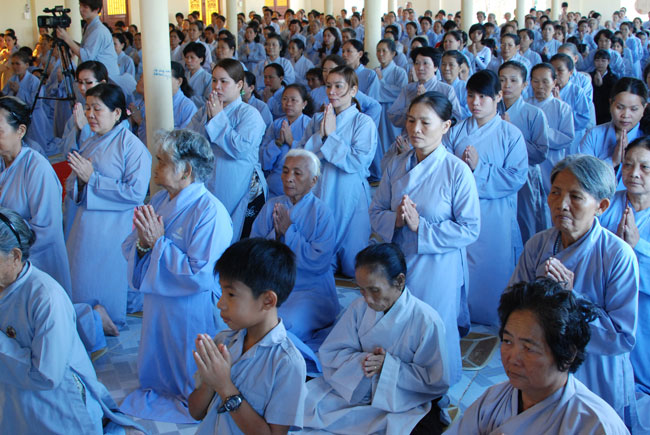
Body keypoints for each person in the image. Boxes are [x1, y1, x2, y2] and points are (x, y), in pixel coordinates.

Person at [510, 155, 639, 422]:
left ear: (601, 205)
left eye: (576, 197)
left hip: (596, 370)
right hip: (544, 363)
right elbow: (513, 304)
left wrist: (571, 300)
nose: (562, 205)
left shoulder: (617, 255)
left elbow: (622, 337)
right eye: (555, 193)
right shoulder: (537, 246)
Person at [120, 129, 233, 423]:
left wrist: (158, 243)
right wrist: (145, 245)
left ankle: (195, 397)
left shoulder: (210, 211)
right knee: (157, 362)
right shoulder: (160, 200)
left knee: (188, 370)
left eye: (163, 160)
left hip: (189, 308)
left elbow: (200, 273)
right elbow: (133, 244)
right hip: (157, 301)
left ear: (186, 171)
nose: (156, 166)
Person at [0, 207, 145, 434]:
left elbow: (47, 375)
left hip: (55, 408)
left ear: (16, 256)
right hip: (14, 403)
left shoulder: (46, 297)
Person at [370, 92, 480, 384]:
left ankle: (437, 386)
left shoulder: (457, 171)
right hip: (399, 260)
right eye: (410, 120)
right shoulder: (396, 164)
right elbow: (376, 210)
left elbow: (470, 228)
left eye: (425, 122)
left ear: (446, 126)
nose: (415, 129)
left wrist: (422, 227)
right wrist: (396, 219)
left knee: (433, 326)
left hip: (438, 266)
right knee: (400, 323)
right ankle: (398, 381)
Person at [301, 243, 451, 434]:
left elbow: (434, 380)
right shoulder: (359, 308)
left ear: (399, 281)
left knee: (419, 428)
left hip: (404, 399)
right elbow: (333, 352)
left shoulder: (427, 320)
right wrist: (365, 361)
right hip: (355, 389)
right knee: (301, 398)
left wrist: (387, 366)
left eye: (374, 290)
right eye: (362, 290)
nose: (368, 299)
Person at [445, 279, 629, 434]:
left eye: (528, 348)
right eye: (508, 341)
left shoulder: (594, 424)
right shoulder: (493, 400)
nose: (512, 358)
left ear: (568, 354)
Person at [189, 238, 307, 434]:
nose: (220, 304)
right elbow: (195, 412)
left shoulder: (287, 363)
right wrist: (209, 382)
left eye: (231, 295)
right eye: (222, 292)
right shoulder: (223, 341)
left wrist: (224, 386)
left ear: (267, 300)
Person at [443, 69, 528, 326]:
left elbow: (516, 177)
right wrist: (461, 170)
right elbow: (443, 165)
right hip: (460, 210)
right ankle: (461, 314)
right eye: (471, 96)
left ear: (498, 97)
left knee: (493, 266)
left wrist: (479, 169)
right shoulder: (456, 131)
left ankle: (493, 315)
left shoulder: (511, 134)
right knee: (461, 265)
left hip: (495, 215)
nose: (475, 103)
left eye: (483, 97)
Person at [66, 83, 152, 334]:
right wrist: (82, 182)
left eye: (97, 109)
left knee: (106, 277)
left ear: (116, 113)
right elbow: (73, 182)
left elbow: (135, 192)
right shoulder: (91, 141)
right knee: (80, 274)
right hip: (85, 223)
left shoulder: (132, 146)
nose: (90, 115)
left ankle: (106, 318)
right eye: (88, 108)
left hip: (114, 227)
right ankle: (88, 318)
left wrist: (92, 179)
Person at [251, 149, 338, 348]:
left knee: (283, 327)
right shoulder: (271, 206)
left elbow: (319, 262)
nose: (288, 178)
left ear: (313, 181)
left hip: (310, 290)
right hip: (273, 286)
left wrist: (289, 232)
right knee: (247, 318)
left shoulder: (322, 213)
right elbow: (254, 250)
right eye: (285, 171)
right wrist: (276, 235)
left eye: (297, 173)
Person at [299, 65, 377, 277]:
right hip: (320, 187)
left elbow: (357, 161)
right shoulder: (318, 119)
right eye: (328, 86)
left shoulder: (363, 122)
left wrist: (330, 137)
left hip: (349, 191)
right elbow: (303, 154)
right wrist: (323, 136)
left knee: (353, 266)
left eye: (338, 86)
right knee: (321, 260)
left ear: (353, 90)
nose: (331, 91)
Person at [599, 137, 650, 432]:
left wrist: (637, 247)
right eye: (628, 165)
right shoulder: (606, 204)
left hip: (644, 310)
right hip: (609, 307)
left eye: (645, 167)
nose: (634, 173)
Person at [188, 59, 266, 241]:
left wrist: (217, 119)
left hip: (238, 183)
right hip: (208, 181)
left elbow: (240, 149)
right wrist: (210, 118)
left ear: (239, 85)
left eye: (224, 81)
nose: (217, 86)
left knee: (235, 238)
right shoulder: (205, 110)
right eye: (214, 80)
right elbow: (190, 142)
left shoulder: (249, 114)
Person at [498, 62, 550, 245]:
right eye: (502, 80)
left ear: (524, 85)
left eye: (513, 80)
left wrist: (512, 134)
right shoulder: (492, 111)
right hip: (498, 176)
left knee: (526, 222)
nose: (507, 85)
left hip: (525, 176)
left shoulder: (534, 114)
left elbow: (541, 153)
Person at [55, 0, 135, 97]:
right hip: (97, 76)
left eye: (85, 7)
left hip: (104, 79)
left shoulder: (98, 29)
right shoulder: (90, 26)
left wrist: (67, 39)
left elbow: (86, 56)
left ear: (96, 9)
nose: (81, 10)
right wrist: (69, 41)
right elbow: (85, 48)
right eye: (80, 6)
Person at [580, 77, 648, 185]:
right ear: (611, 103)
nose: (626, 115)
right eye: (620, 107)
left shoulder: (646, 139)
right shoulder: (594, 135)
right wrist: (612, 161)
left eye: (634, 109)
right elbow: (581, 177)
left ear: (644, 108)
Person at [527, 63, 575, 196]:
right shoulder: (524, 105)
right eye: (535, 81)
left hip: (551, 163)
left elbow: (567, 138)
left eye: (545, 81)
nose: (540, 86)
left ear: (554, 82)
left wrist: (540, 130)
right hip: (528, 164)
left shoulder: (562, 108)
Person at [388, 47, 462, 130]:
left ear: (435, 67)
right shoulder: (408, 89)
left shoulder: (446, 90)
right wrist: (412, 105)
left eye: (425, 63)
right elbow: (393, 116)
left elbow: (456, 118)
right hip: (411, 135)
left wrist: (427, 101)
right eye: (417, 63)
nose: (420, 68)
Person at [260, 84, 313, 198]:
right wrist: (278, 142)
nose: (288, 103)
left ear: (304, 104)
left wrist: (291, 142)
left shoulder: (309, 125)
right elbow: (264, 162)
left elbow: (312, 159)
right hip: (274, 185)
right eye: (285, 99)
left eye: (294, 100)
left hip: (299, 187)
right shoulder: (276, 124)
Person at [374, 39, 408, 178]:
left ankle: (394, 173)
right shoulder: (375, 71)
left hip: (393, 113)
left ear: (393, 53)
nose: (380, 54)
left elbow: (399, 93)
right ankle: (380, 172)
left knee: (392, 141)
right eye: (378, 51)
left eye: (384, 51)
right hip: (379, 111)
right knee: (379, 141)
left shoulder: (399, 72)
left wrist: (381, 81)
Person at [184, 42, 212, 109]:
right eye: (187, 57)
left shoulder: (208, 78)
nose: (188, 60)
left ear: (201, 59)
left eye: (192, 57)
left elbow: (208, 100)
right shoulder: (184, 75)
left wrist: (187, 97)